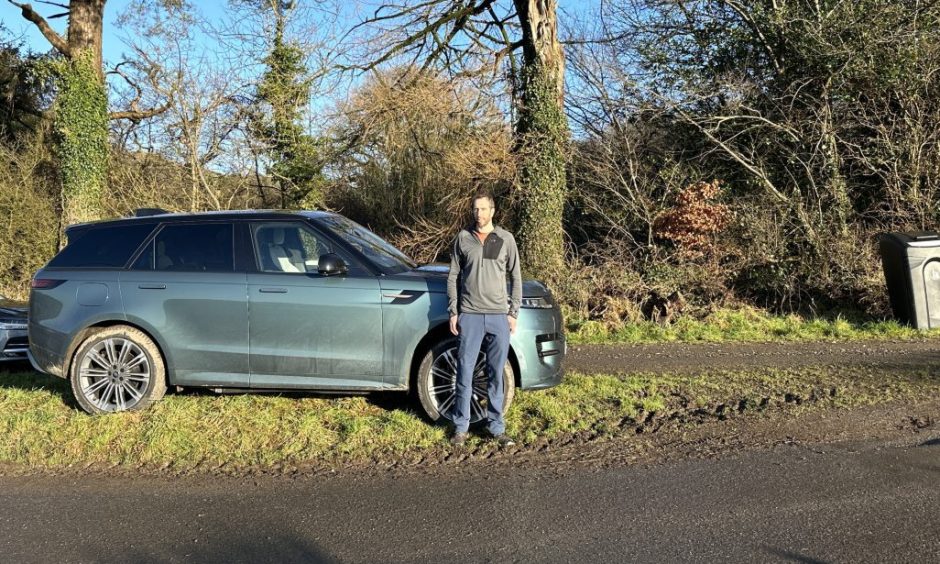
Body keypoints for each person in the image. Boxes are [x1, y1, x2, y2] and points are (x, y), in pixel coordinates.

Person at [446, 192, 522, 447]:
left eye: (483, 209)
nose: (479, 214)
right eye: (475, 209)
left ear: (493, 210)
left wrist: (513, 313)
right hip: (470, 315)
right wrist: (455, 311)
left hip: (499, 316)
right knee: (464, 373)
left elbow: (516, 277)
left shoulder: (505, 239)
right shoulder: (463, 239)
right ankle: (460, 428)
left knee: (495, 373)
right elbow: (453, 275)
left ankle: (496, 427)